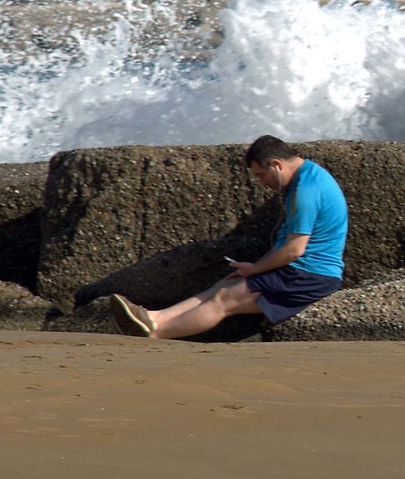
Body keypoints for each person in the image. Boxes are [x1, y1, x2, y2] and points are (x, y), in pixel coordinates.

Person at [114, 136, 348, 339]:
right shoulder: (309, 177)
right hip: (300, 270)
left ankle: (154, 334)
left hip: (309, 275)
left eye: (261, 175)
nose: (262, 183)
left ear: (276, 165)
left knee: (226, 298)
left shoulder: (306, 191)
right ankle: (154, 318)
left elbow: (293, 250)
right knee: (225, 284)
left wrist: (255, 269)